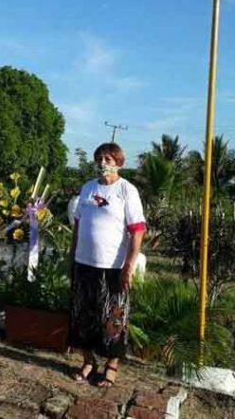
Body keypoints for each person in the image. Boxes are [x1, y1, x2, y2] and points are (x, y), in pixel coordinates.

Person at [68, 142, 146, 387]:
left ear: (119, 163)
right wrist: (72, 253)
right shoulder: (87, 188)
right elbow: (78, 223)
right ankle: (88, 361)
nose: (103, 163)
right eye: (100, 158)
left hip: (113, 267)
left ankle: (112, 365)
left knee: (113, 318)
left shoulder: (127, 191)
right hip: (84, 263)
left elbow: (137, 232)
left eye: (109, 159)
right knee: (82, 315)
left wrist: (128, 267)